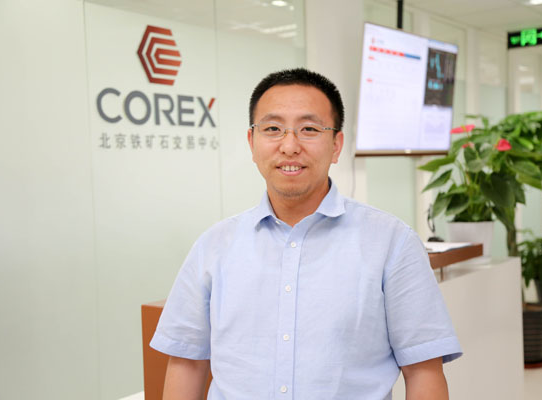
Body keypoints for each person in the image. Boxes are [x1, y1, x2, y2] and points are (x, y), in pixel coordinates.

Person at [151, 68, 462, 400]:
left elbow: (423, 372)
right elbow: (187, 363)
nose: (289, 146)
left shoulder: (392, 243)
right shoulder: (213, 246)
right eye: (273, 129)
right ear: (252, 143)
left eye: (309, 129)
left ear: (336, 145)